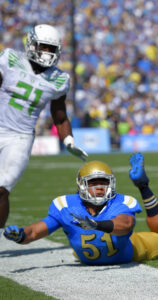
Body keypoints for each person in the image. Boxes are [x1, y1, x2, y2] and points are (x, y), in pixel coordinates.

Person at [3, 153, 158, 265]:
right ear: (81, 185)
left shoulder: (121, 202)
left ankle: (143, 185)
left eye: (104, 182)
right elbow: (34, 231)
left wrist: (96, 225)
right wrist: (21, 235)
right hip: (88, 254)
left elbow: (125, 225)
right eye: (93, 183)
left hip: (132, 249)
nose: (99, 187)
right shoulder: (66, 205)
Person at [0, 24, 88, 234]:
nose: (46, 53)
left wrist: (68, 141)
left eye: (51, 49)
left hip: (20, 137)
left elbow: (60, 115)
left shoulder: (59, 80)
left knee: (2, 189)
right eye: (43, 47)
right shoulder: (9, 59)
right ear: (31, 43)